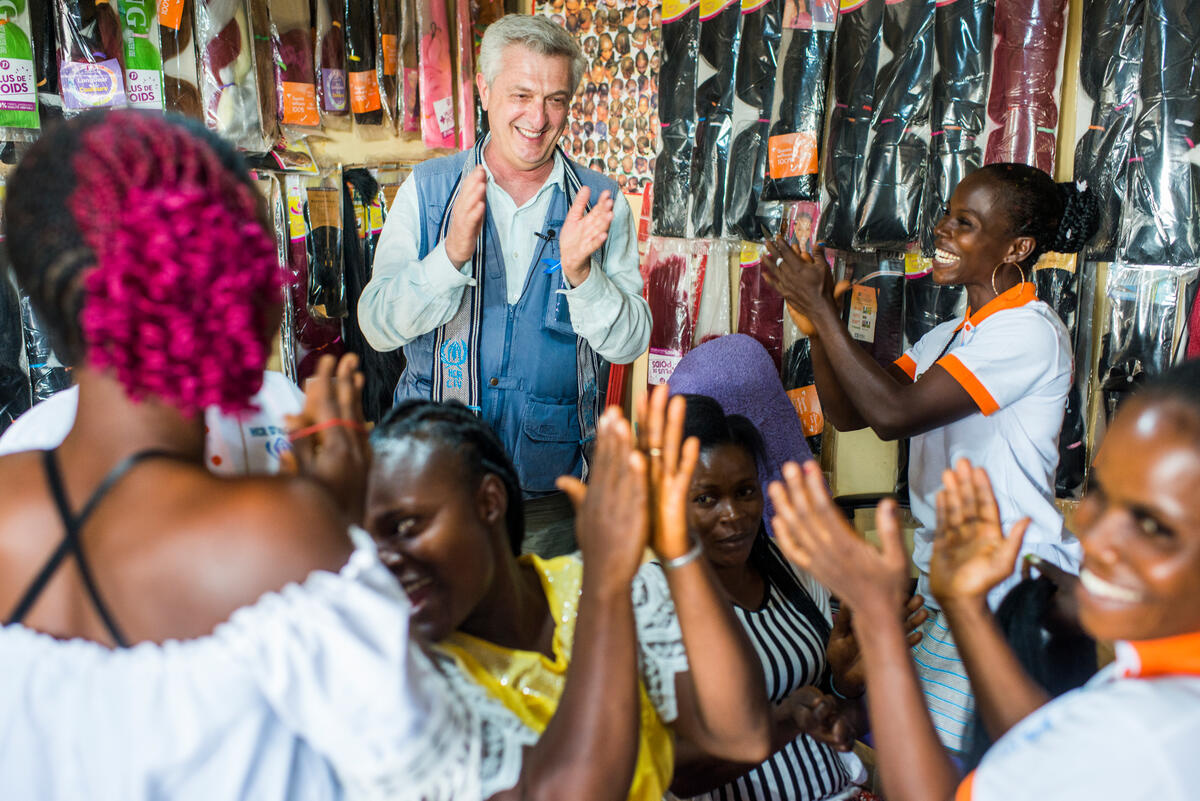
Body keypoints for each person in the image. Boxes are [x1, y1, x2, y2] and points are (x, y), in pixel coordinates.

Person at [0, 110, 645, 801]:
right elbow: (556, 790)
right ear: (237, 296)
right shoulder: (279, 538)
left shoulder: (13, 489)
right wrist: (608, 576)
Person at [762, 163, 1099, 751]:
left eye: (964, 223)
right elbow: (853, 414)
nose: (942, 231)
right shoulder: (950, 335)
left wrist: (824, 315)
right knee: (927, 754)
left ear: (1016, 247)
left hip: (1008, 590)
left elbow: (895, 414)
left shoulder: (1028, 332)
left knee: (967, 764)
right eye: (947, 215)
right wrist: (819, 329)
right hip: (951, 581)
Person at [767, 358, 1200, 800]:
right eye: (1100, 494)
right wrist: (963, 606)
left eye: (1153, 527)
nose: (1097, 535)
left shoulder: (1149, 734)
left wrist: (880, 623)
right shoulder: (1157, 691)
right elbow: (1038, 753)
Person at [365, 386, 773, 801]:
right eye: (368, 543)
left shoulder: (605, 587)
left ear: (489, 502)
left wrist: (680, 547)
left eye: (405, 527)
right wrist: (605, 582)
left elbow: (743, 735)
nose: (385, 559)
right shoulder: (410, 681)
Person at [358, 14, 651, 559]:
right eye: (521, 94)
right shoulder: (427, 192)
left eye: (555, 98)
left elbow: (631, 342)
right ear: (484, 90)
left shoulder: (602, 203)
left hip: (551, 501)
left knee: (546, 639)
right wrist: (448, 258)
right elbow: (376, 325)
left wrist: (582, 276)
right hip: (432, 488)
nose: (537, 118)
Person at [668, 395, 927, 801]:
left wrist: (844, 687)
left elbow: (836, 722)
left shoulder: (786, 570)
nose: (733, 514)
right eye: (706, 498)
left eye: (745, 492)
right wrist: (783, 721)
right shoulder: (655, 603)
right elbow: (674, 775)